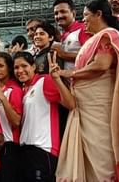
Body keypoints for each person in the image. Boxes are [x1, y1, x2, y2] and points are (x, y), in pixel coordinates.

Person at [52, 0, 119, 181]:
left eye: (86, 16)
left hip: (99, 109)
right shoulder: (93, 40)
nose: (83, 22)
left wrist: (69, 74)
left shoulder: (109, 35)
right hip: (85, 107)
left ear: (99, 14)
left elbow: (101, 65)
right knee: (88, 160)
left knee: (101, 160)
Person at [12, 52, 73, 181]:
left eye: (24, 66)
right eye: (16, 67)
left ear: (34, 66)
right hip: (25, 150)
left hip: (42, 149)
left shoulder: (45, 80)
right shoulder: (23, 90)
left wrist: (57, 79)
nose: (20, 70)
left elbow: (70, 104)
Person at [0, 52, 23, 181]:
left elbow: (16, 121)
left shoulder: (14, 90)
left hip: (10, 145)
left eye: (0, 66)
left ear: (9, 68)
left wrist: (3, 98)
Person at [51, 0, 90, 70]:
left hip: (84, 79)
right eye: (56, 13)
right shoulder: (63, 35)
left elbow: (91, 57)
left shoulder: (83, 29)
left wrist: (63, 54)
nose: (59, 16)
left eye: (63, 12)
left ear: (73, 13)